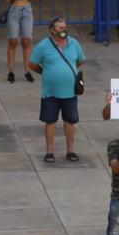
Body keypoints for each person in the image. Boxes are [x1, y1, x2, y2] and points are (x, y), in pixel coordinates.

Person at [29, 17, 85, 164]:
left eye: (64, 27)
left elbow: (80, 60)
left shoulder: (73, 43)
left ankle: (71, 150)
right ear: (52, 31)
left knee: (70, 122)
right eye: (60, 28)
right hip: (50, 92)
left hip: (70, 92)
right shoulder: (43, 46)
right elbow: (32, 64)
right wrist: (47, 73)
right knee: (50, 122)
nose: (63, 31)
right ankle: (49, 152)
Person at [2, 0, 36, 83]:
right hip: (14, 11)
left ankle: (27, 71)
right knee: (13, 41)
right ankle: (11, 72)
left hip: (27, 11)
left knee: (27, 41)